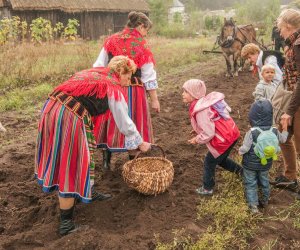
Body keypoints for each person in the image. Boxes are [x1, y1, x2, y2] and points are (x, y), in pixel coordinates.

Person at [35, 56, 151, 236]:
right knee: (70, 162)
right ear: (120, 72)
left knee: (83, 155)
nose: (128, 84)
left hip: (51, 109)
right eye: (128, 78)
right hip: (68, 116)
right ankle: (66, 224)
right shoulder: (111, 86)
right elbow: (124, 122)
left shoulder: (94, 73)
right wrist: (140, 142)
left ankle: (88, 189)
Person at [93, 11, 160, 168]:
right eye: (146, 31)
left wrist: (103, 84)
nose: (145, 35)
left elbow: (98, 65)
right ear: (141, 26)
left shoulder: (111, 40)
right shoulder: (142, 45)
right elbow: (148, 76)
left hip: (111, 87)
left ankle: (106, 162)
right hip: (133, 91)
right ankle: (133, 161)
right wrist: (155, 99)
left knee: (110, 121)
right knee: (134, 120)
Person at [182, 79, 242, 196]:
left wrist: (197, 139)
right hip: (230, 134)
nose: (182, 94)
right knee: (221, 160)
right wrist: (197, 131)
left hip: (224, 139)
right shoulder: (203, 103)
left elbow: (209, 132)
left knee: (209, 162)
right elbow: (210, 123)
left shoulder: (200, 110)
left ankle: (207, 188)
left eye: (186, 92)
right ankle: (243, 173)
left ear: (194, 94)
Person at [239, 100, 288, 213]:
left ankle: (253, 206)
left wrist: (240, 151)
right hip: (266, 164)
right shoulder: (274, 130)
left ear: (252, 116)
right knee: (264, 181)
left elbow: (245, 148)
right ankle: (264, 201)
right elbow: (284, 139)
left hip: (250, 165)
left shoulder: (252, 132)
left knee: (251, 183)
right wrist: (284, 127)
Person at [271, 9, 300, 192]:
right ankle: (290, 176)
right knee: (283, 134)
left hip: (297, 102)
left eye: (280, 28)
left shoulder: (298, 45)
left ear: (289, 26)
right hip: (293, 99)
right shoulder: (292, 44)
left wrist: (289, 111)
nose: (279, 32)